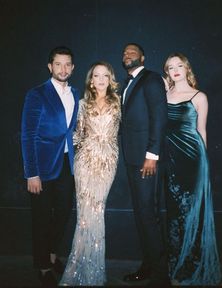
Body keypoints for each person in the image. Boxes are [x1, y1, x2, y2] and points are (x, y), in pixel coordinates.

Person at [21, 46, 79, 287]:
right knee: (42, 217)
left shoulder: (75, 93)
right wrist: (31, 173)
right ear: (50, 67)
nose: (63, 69)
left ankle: (53, 253)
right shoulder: (37, 94)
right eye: (58, 64)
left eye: (67, 65)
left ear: (73, 68)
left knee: (64, 212)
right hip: (42, 167)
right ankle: (43, 265)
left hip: (67, 163)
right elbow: (28, 135)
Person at [59, 61, 120, 286]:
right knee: (85, 215)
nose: (101, 79)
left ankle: (94, 270)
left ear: (110, 79)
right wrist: (61, 153)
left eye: (105, 75)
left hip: (108, 162)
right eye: (96, 75)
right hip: (85, 162)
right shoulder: (82, 104)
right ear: (91, 80)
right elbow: (76, 135)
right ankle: (79, 269)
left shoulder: (119, 103)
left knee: (97, 210)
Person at [163, 52, 222, 285]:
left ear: (186, 68)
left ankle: (191, 266)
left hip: (194, 160)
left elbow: (202, 131)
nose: (175, 70)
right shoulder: (164, 94)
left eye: (179, 65)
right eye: (170, 67)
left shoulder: (199, 96)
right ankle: (177, 263)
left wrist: (204, 166)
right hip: (171, 160)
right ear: (166, 72)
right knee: (175, 213)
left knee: (192, 212)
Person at [120, 43, 169, 285]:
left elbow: (159, 117)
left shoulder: (151, 79)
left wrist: (152, 155)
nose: (127, 54)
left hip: (146, 160)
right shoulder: (127, 84)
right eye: (124, 52)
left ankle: (160, 275)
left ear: (143, 57)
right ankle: (150, 264)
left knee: (148, 214)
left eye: (132, 51)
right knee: (142, 214)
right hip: (132, 159)